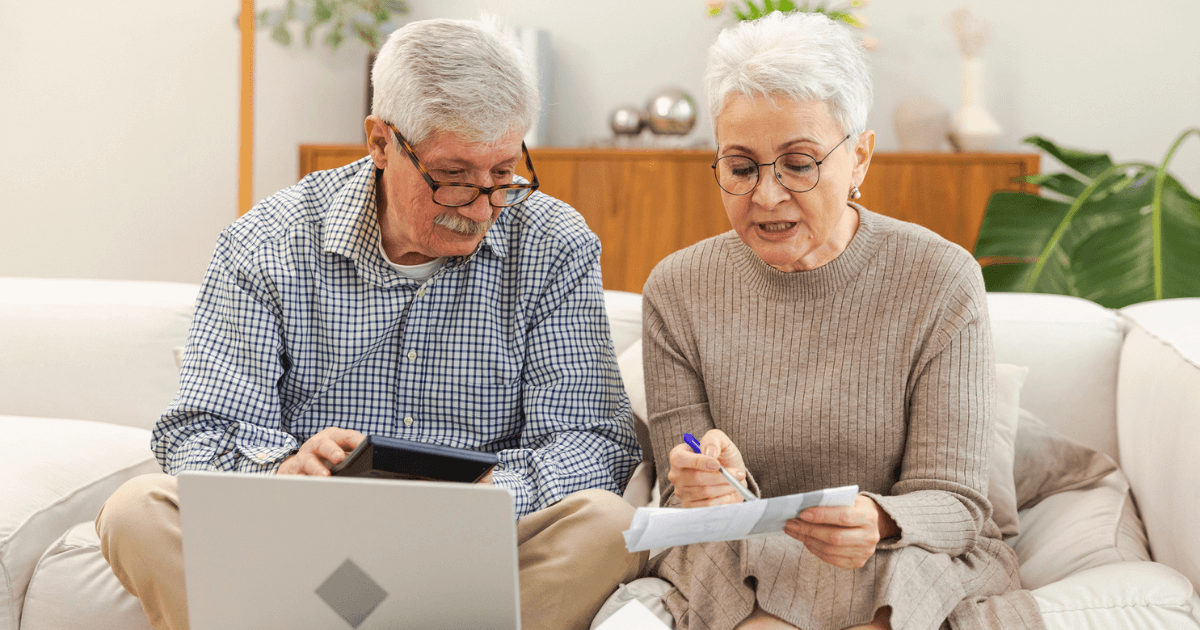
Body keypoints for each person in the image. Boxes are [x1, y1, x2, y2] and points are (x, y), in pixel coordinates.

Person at [95, 16, 646, 630]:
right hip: (301, 544)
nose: (483, 207)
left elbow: (594, 441)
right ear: (381, 143)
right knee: (136, 511)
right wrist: (281, 468)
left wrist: (493, 494)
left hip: (475, 549)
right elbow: (197, 432)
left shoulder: (553, 242)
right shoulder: (265, 243)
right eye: (454, 178)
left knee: (612, 526)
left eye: (503, 175)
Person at [640, 12, 1043, 630]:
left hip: (897, 548)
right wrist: (704, 481)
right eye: (741, 167)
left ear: (859, 157)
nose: (767, 196)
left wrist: (879, 519)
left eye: (798, 164)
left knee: (911, 576)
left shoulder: (939, 277)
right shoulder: (677, 289)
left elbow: (955, 504)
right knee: (711, 566)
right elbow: (681, 504)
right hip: (739, 551)